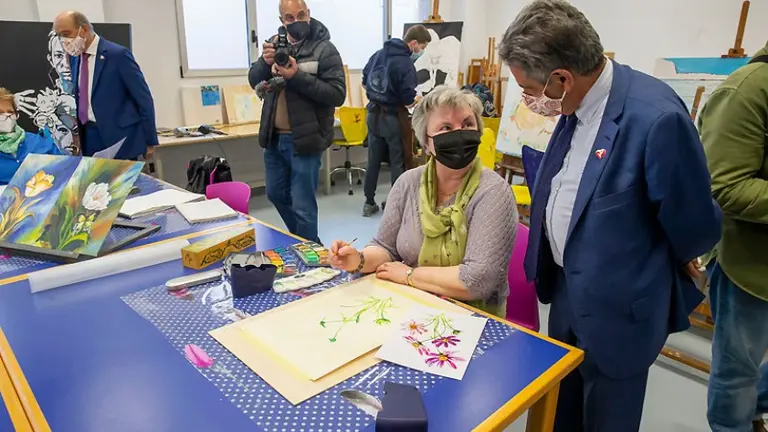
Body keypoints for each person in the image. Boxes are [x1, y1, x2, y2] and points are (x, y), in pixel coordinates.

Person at [498, 1, 722, 430]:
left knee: (606, 421)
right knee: (562, 416)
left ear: (562, 78)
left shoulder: (655, 119)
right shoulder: (575, 106)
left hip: (620, 314)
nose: (528, 101)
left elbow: (694, 226)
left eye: (529, 89)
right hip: (567, 297)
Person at [329, 86, 517, 318]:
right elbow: (385, 246)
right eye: (446, 128)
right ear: (426, 143)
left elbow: (478, 280)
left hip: (472, 318)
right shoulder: (408, 183)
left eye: (468, 124)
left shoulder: (493, 191)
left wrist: (409, 275)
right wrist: (358, 259)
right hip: (409, 307)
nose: (459, 133)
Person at [699, 42, 768, 432]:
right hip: (749, 268)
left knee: (746, 384)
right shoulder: (747, 90)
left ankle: (751, 408)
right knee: (737, 375)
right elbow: (725, 186)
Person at [248, 0, 345, 244]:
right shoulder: (274, 43)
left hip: (305, 138)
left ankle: (310, 253)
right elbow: (254, 80)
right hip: (274, 137)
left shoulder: (325, 49)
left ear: (308, 15)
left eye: (301, 15)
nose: (296, 21)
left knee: (303, 205)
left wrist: (296, 76)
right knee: (276, 194)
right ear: (282, 21)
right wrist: (264, 62)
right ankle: (306, 242)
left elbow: (337, 94)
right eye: (290, 18)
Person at [54, 11, 157, 160]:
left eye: (66, 33)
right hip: (89, 135)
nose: (63, 40)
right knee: (96, 182)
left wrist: (150, 139)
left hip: (120, 138)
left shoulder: (118, 55)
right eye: (59, 35)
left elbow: (143, 98)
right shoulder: (75, 58)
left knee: (122, 182)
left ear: (83, 29)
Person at [361, 25, 431, 217]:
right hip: (392, 117)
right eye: (422, 47)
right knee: (397, 161)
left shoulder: (378, 54)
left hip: (372, 115)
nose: (421, 52)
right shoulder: (405, 63)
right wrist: (418, 99)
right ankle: (395, 204)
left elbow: (365, 80)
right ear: (414, 43)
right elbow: (408, 100)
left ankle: (368, 203)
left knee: (373, 160)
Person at [0, 88, 61, 184]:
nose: (6, 116)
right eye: (0, 113)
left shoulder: (39, 142)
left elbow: (65, 168)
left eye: (10, 112)